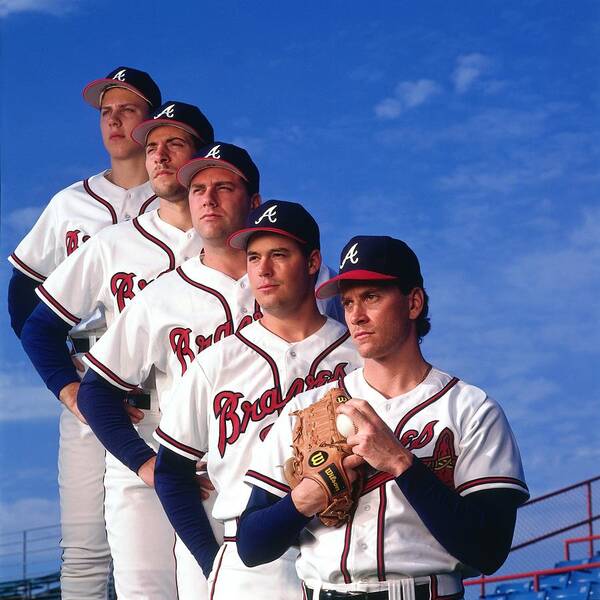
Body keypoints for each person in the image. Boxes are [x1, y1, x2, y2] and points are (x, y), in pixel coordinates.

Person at [238, 235, 529, 600]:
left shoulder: (471, 410)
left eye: (371, 297)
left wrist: (401, 462)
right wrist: (307, 498)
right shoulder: (307, 410)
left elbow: (488, 551)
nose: (356, 315)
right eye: (347, 302)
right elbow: (250, 546)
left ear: (413, 303)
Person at [20, 100, 214, 600]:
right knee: (110, 569)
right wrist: (72, 392)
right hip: (131, 432)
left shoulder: (235, 244)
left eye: (174, 144)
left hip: (219, 450)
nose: (161, 156)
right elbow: (34, 316)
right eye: (153, 146)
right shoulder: (108, 242)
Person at [153, 200, 362, 599]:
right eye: (253, 257)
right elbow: (171, 472)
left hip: (346, 547)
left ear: (313, 261)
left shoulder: (358, 356)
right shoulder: (217, 362)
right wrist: (209, 558)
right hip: (250, 563)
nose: (263, 270)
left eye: (279, 255)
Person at [6, 66, 161, 599]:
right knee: (85, 550)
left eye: (128, 109)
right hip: (90, 381)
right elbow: (22, 294)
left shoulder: (179, 204)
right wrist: (64, 380)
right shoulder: (70, 203)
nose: (115, 121)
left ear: (152, 123)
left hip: (164, 385)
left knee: (174, 546)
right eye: (105, 112)